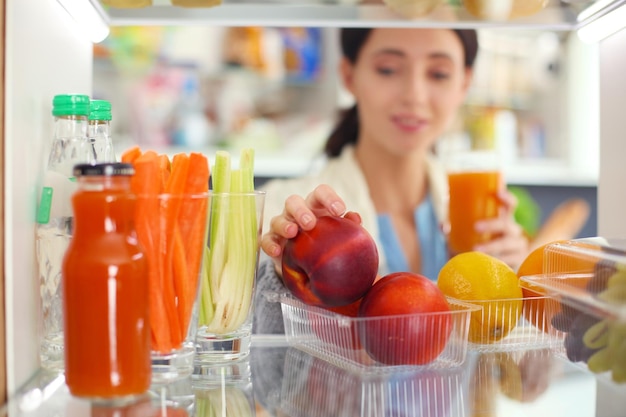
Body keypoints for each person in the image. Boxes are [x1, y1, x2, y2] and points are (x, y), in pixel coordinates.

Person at [252, 27, 529, 335]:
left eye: (438, 74)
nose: (414, 95)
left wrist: (512, 280)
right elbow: (262, 362)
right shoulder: (285, 212)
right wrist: (282, 279)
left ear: (464, 84)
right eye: (388, 69)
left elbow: (499, 363)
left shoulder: (479, 214)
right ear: (348, 75)